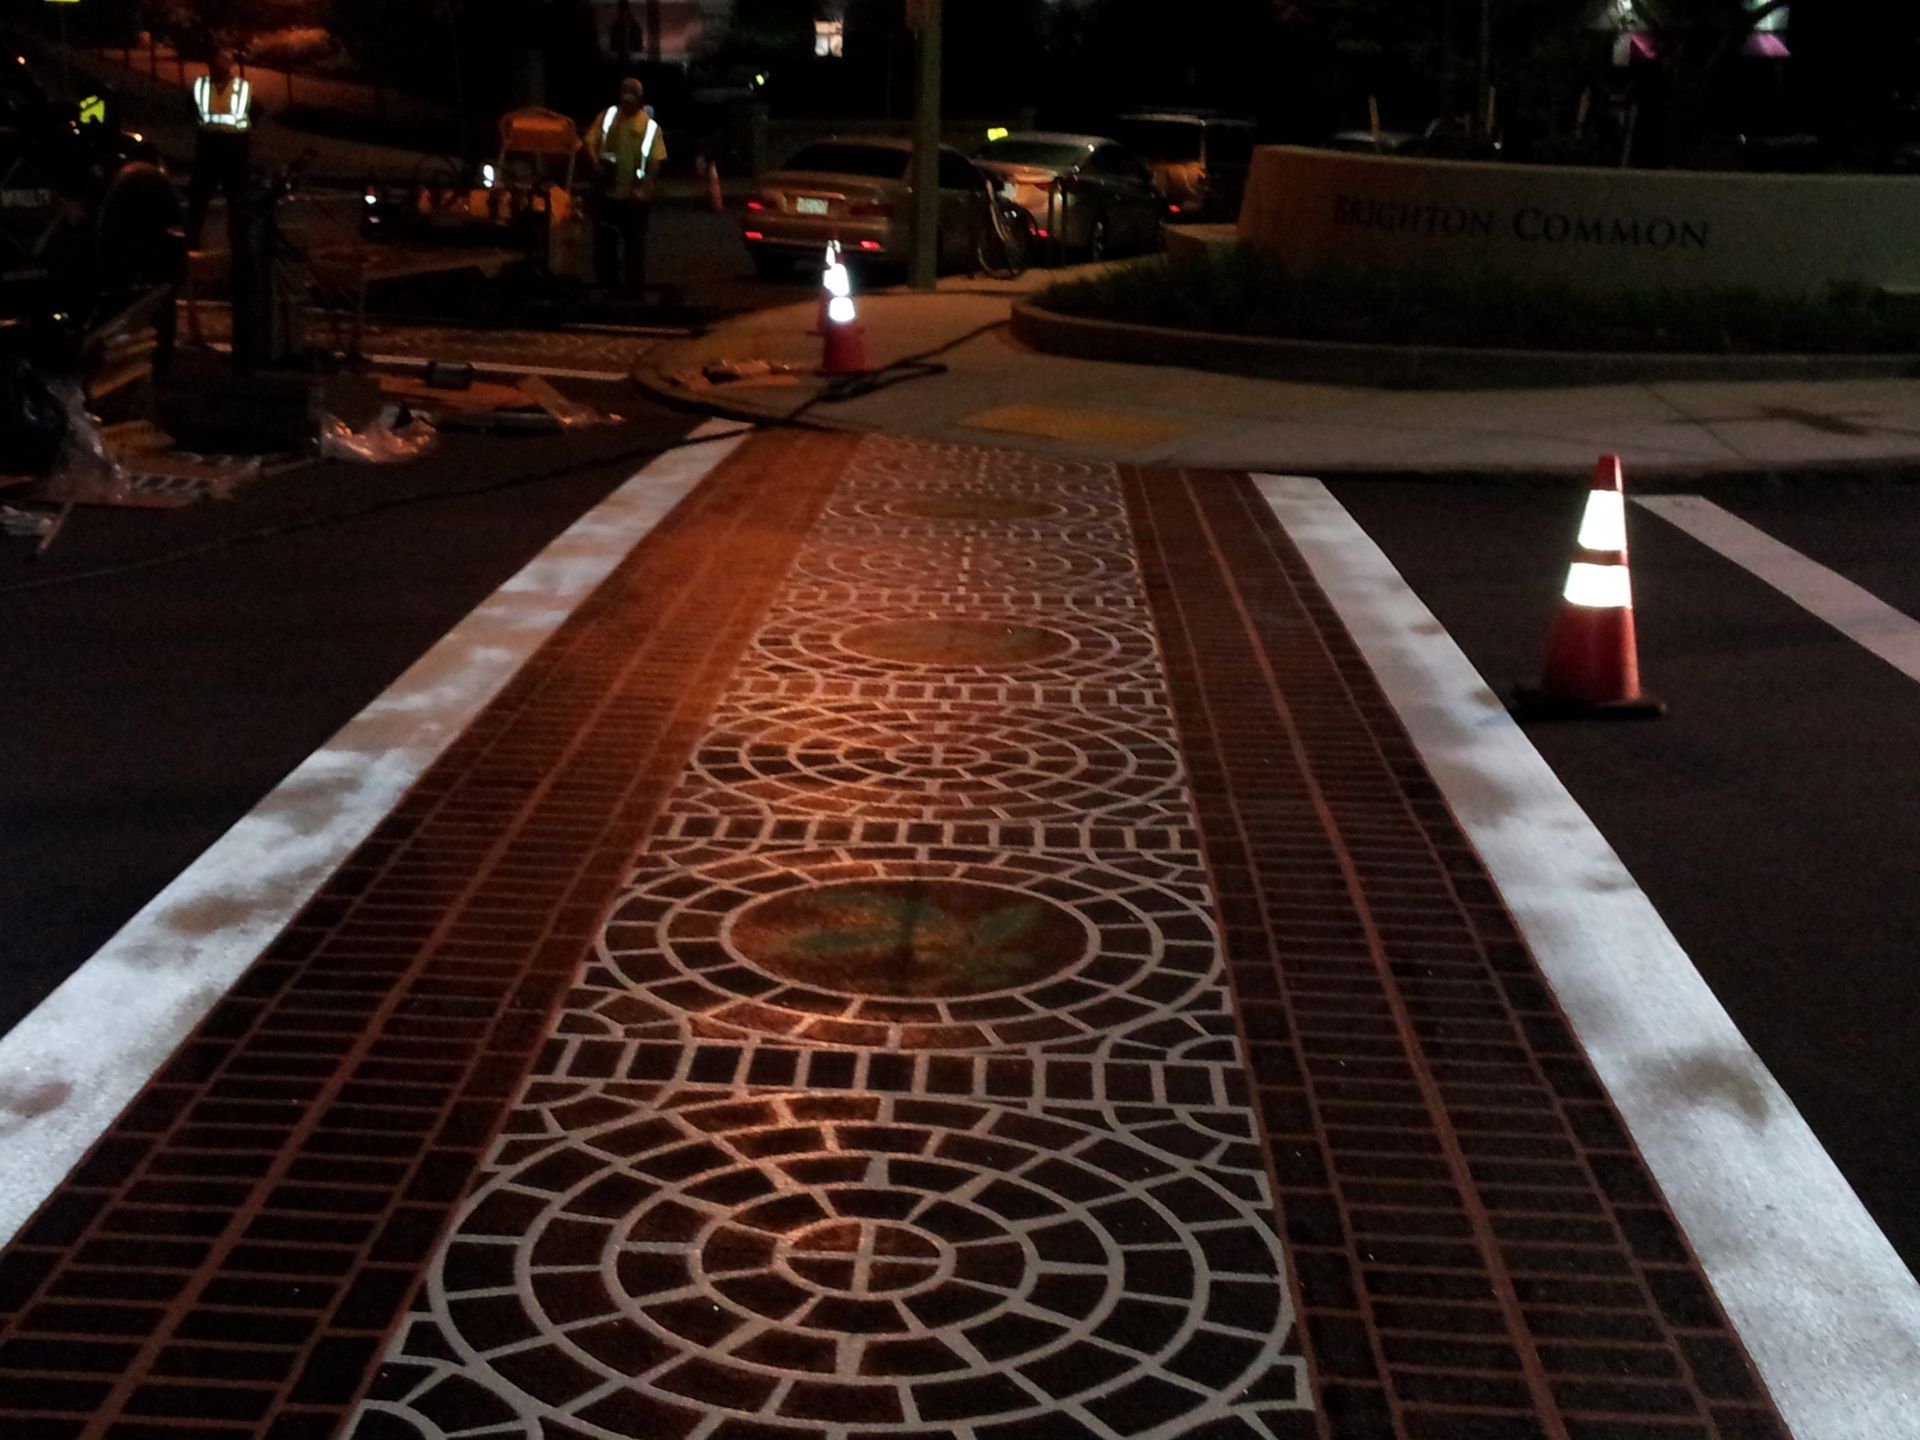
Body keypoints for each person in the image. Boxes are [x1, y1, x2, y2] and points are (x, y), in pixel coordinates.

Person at [585, 78, 666, 297]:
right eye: (624, 99)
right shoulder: (608, 117)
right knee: (606, 248)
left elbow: (655, 162)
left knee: (634, 249)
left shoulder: (649, 127)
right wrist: (596, 165)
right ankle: (610, 289)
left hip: (634, 199)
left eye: (631, 100)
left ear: (639, 100)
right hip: (607, 194)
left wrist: (643, 189)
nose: (626, 104)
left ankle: (633, 292)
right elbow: (590, 141)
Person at [186, 46, 253, 252]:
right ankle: (192, 243)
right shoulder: (202, 85)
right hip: (211, 149)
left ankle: (238, 247)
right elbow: (191, 107)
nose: (217, 66)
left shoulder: (242, 87)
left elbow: (253, 112)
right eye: (215, 62)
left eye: (221, 62)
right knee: (201, 200)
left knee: (234, 203)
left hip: (231, 151)